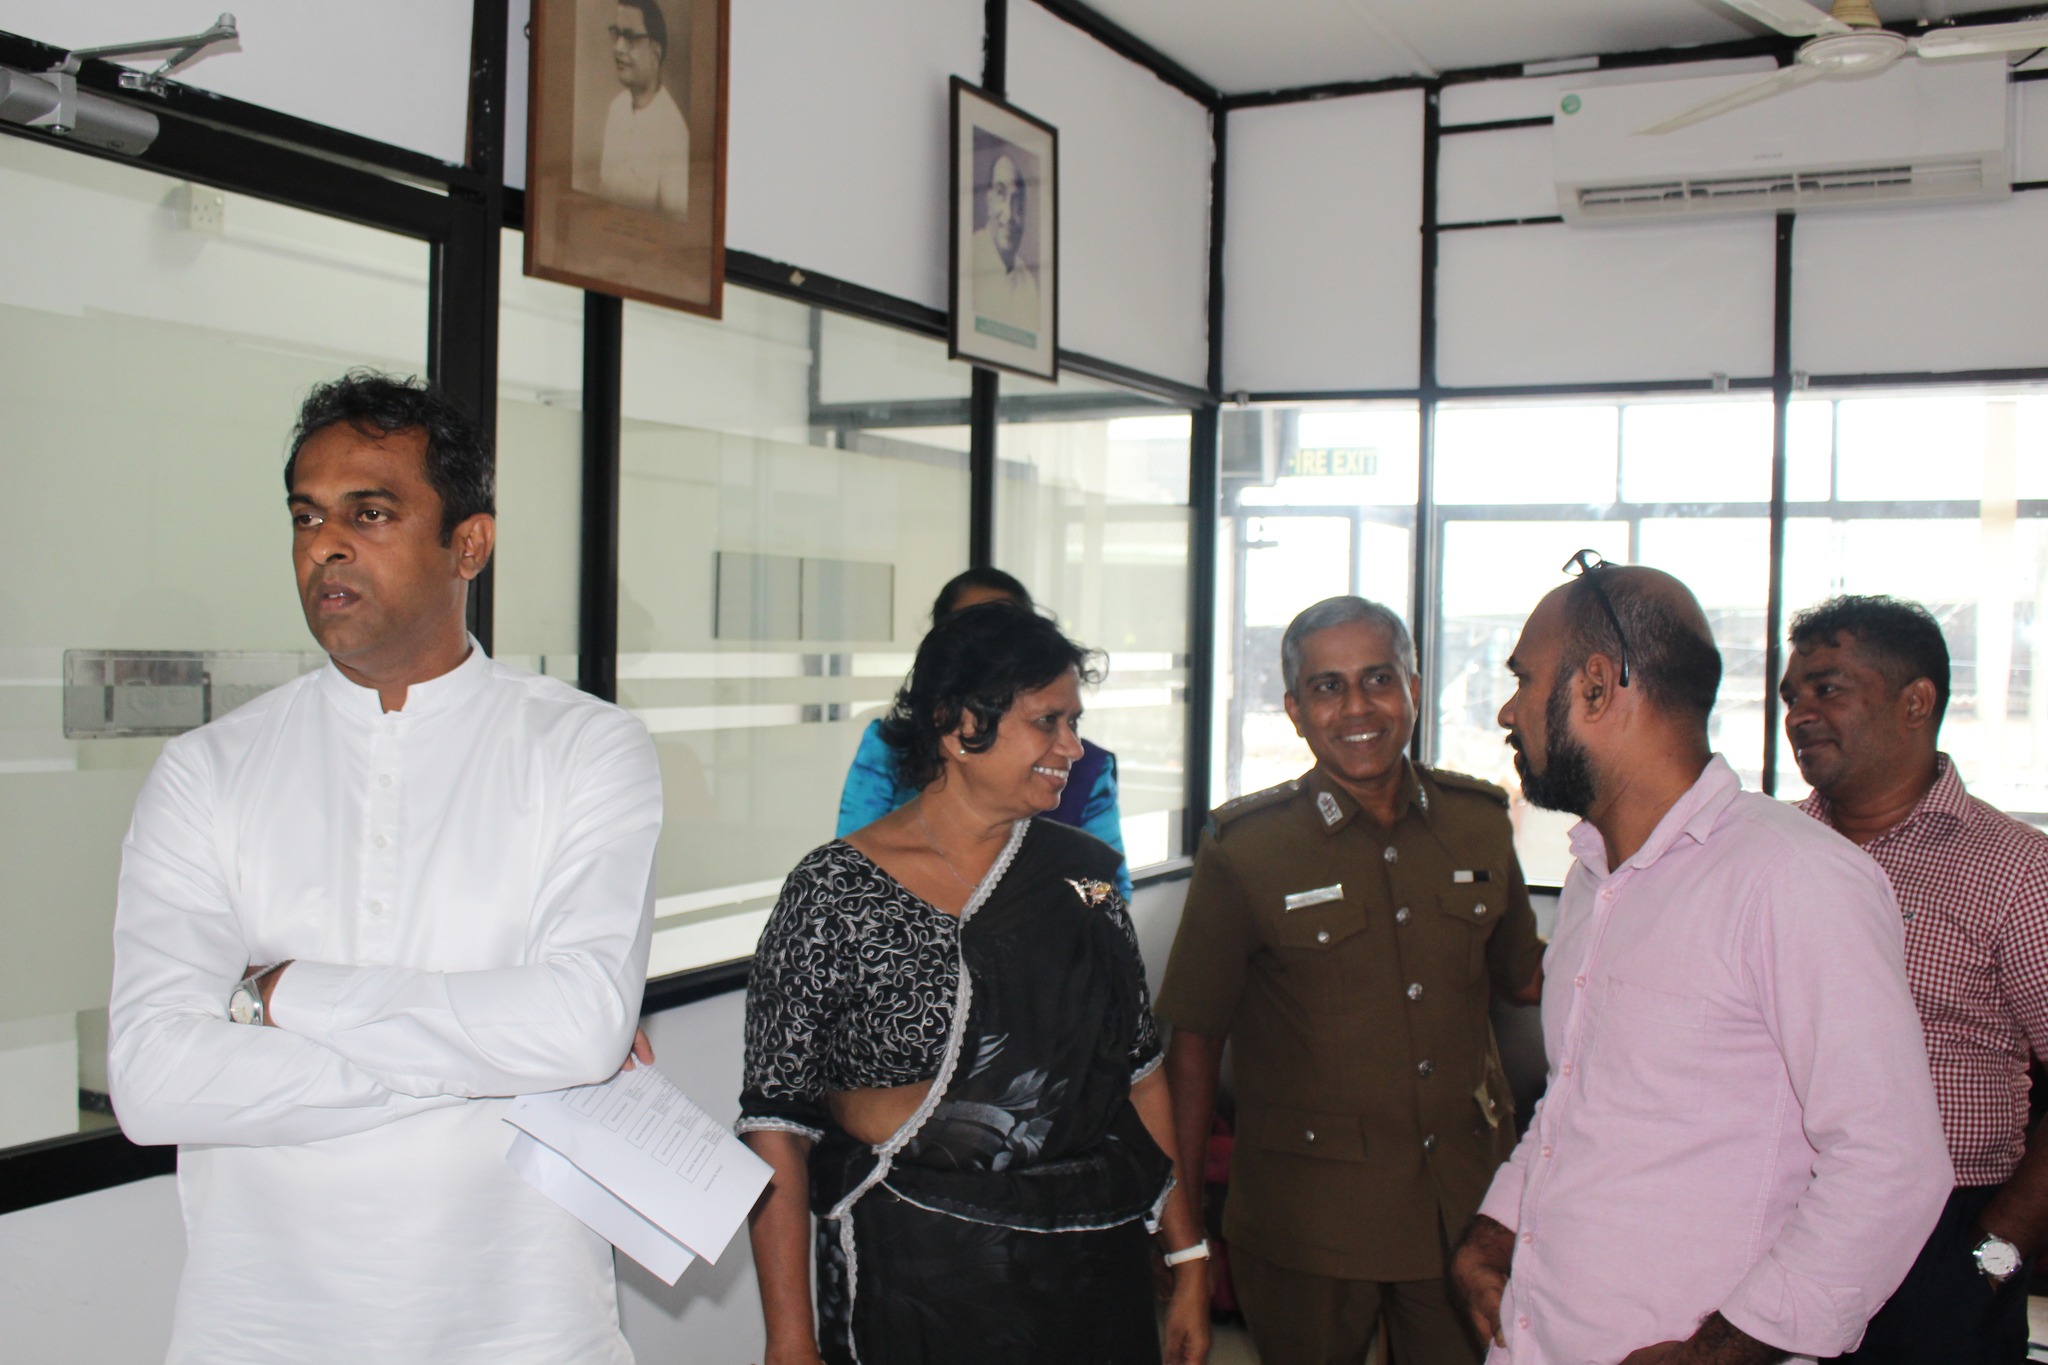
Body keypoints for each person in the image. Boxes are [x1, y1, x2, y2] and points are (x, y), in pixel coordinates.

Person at [106, 372, 663, 1363]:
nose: (324, 543)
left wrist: (279, 992)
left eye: (369, 512)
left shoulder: (584, 748)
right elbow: (152, 1081)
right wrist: (489, 1055)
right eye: (306, 515)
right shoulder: (209, 771)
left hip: (525, 1329)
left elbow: (578, 1024)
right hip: (263, 1331)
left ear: (469, 544)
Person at [1450, 552, 1950, 1365]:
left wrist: (1722, 1350)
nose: (1509, 709)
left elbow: (1892, 1162)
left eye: (1524, 679)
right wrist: (1496, 1227)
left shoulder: (1792, 877)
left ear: (1596, 686)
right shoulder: (1593, 875)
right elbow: (1577, 1098)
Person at [739, 601, 1209, 1365]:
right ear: (960, 727)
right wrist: (789, 1338)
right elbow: (776, 1125)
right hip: (911, 1285)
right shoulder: (834, 893)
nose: (1072, 746)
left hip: (1089, 1277)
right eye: (1048, 721)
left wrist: (1188, 1256)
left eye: (1074, 721)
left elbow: (1138, 1072)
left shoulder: (1080, 879)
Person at [1155, 595, 1545, 1365]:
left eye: (1378, 679)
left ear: (1413, 688)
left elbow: (1524, 977)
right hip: (1309, 1225)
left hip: (1465, 1210)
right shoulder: (1247, 848)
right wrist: (1187, 1243)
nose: (1358, 707)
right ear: (1295, 710)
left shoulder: (1478, 820)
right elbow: (1192, 1047)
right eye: (1328, 687)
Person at [1782, 594, 2048, 1365]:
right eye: (1791, 695)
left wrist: (1991, 1259)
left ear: (1916, 701)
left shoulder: (2014, 869)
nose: (1799, 714)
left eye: (1827, 688)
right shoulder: (1770, 852)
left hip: (1943, 1243)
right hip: (1778, 1216)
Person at [837, 567, 1132, 899]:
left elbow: (1108, 897)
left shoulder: (1084, 845)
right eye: (1046, 720)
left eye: (1010, 632)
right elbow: (856, 857)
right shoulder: (841, 883)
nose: (1072, 748)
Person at [598, 0, 690, 218]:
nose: (618, 47)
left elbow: (674, 226)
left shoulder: (674, 133)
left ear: (655, 51)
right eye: (617, 34)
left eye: (630, 37)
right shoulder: (616, 109)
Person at [969, 149, 1040, 341]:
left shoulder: (1028, 284)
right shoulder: (969, 257)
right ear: (989, 201)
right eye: (1001, 194)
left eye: (1018, 202)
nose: (1009, 215)